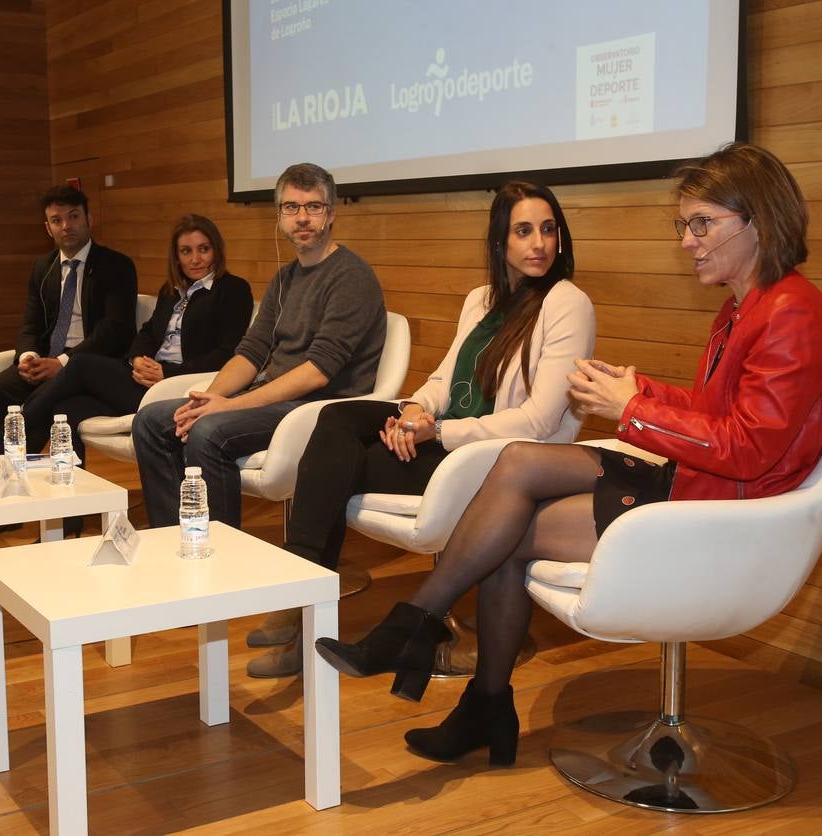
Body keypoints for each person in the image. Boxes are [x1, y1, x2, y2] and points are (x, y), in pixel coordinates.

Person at [315, 142, 822, 767]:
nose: (688, 241)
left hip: (722, 506)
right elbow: (717, 412)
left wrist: (631, 410)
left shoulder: (792, 315)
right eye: (685, 225)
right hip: (698, 478)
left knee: (508, 531)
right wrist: (638, 389)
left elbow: (750, 448)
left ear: (757, 219)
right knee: (518, 461)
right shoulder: (745, 308)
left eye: (701, 224)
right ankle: (431, 645)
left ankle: (460, 677)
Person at [245, 182, 596, 678]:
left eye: (547, 230)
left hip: (501, 463)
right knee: (337, 418)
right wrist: (414, 410)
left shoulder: (567, 303)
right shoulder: (481, 299)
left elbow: (539, 421)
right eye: (523, 231)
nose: (538, 243)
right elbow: (442, 379)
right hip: (448, 441)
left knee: (339, 467)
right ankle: (300, 591)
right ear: (500, 242)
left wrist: (439, 434)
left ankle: (299, 601)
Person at [132, 162, 386, 531]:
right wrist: (207, 399)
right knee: (152, 421)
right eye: (291, 207)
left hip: (319, 407)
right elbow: (252, 350)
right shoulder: (285, 277)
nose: (302, 217)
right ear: (279, 217)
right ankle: (175, 538)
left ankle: (221, 558)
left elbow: (318, 372)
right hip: (273, 397)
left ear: (331, 214)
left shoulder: (351, 276)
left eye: (313, 207)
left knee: (208, 432)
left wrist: (228, 407)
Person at [0, 214, 252, 466]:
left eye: (204, 249)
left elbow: (227, 353)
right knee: (66, 410)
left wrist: (167, 373)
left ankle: (8, 439)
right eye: (186, 251)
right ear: (176, 257)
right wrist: (137, 359)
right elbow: (148, 334)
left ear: (216, 250)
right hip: (142, 380)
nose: (195, 259)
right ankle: (70, 512)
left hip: (179, 388)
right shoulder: (171, 290)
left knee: (79, 366)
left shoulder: (233, 290)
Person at [0, 184, 138, 458]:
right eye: (57, 220)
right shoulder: (42, 267)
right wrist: (28, 356)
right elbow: (31, 322)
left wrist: (62, 362)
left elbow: (114, 330)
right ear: (48, 228)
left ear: (89, 220)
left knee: (59, 399)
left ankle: (16, 457)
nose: (66, 226)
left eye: (74, 217)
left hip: (91, 364)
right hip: (45, 360)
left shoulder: (116, 265)